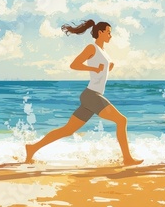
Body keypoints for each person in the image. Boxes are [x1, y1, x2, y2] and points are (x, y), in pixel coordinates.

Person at [25, 19, 143, 166]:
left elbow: (101, 69)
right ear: (100, 33)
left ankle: (32, 148)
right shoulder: (91, 48)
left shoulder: (104, 52)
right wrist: (94, 69)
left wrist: (109, 66)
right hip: (92, 95)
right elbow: (74, 64)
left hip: (92, 95)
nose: (110, 36)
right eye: (108, 32)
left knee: (67, 130)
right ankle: (127, 159)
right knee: (121, 120)